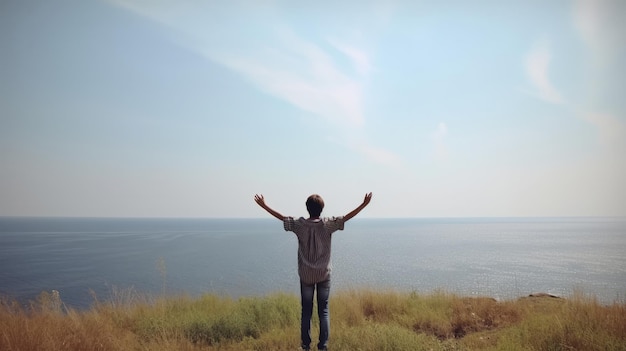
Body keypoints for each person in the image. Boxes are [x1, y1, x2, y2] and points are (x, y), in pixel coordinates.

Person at [254, 192, 373, 351]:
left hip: (306, 275)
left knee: (306, 311)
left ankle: (305, 346)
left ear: (307, 208)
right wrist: (364, 204)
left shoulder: (300, 225)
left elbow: (282, 218)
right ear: (322, 209)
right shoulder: (327, 224)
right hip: (324, 274)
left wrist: (264, 206)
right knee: (323, 311)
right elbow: (346, 218)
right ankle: (322, 347)